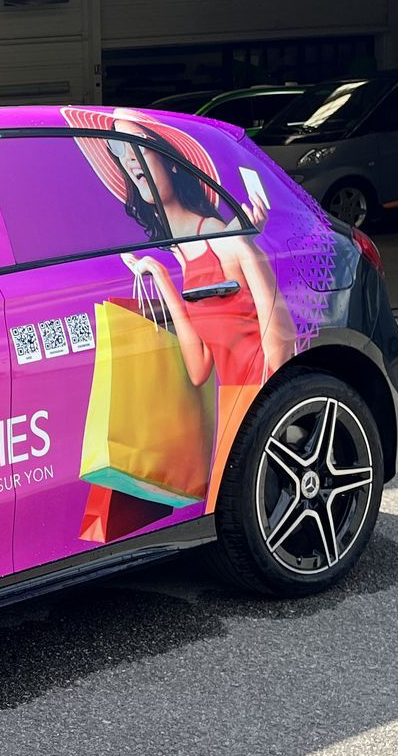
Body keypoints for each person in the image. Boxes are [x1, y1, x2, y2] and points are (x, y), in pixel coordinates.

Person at [65, 106, 298, 511]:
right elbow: (198, 368)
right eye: (122, 154)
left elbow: (281, 338)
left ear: (169, 161)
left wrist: (268, 415)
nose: (131, 161)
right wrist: (159, 277)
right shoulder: (184, 262)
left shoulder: (224, 239)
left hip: (254, 402)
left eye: (139, 149)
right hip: (228, 404)